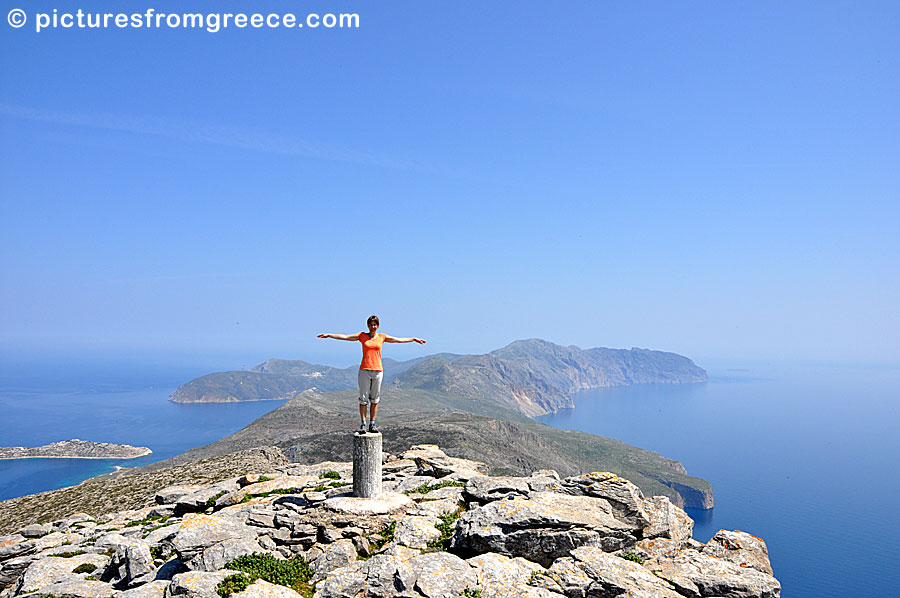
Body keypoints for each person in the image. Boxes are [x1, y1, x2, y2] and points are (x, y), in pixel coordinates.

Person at [317, 315, 426, 434]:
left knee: (375, 399)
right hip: (364, 370)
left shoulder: (382, 337)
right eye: (370, 324)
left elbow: (398, 340)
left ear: (377, 326)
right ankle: (363, 424)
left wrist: (413, 339)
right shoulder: (362, 336)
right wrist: (329, 335)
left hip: (378, 371)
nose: (372, 327)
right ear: (368, 326)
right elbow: (345, 337)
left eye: (374, 324)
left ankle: (372, 424)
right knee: (363, 399)